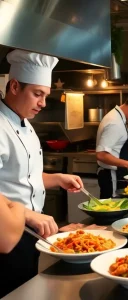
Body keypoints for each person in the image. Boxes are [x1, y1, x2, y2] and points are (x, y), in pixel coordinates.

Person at [0, 49, 84, 298]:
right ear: (14, 86)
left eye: (45, 95)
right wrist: (27, 214)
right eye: (37, 94)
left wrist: (56, 179)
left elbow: (23, 177)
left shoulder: (25, 123)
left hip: (29, 232)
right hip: (7, 234)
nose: (43, 103)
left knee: (27, 289)